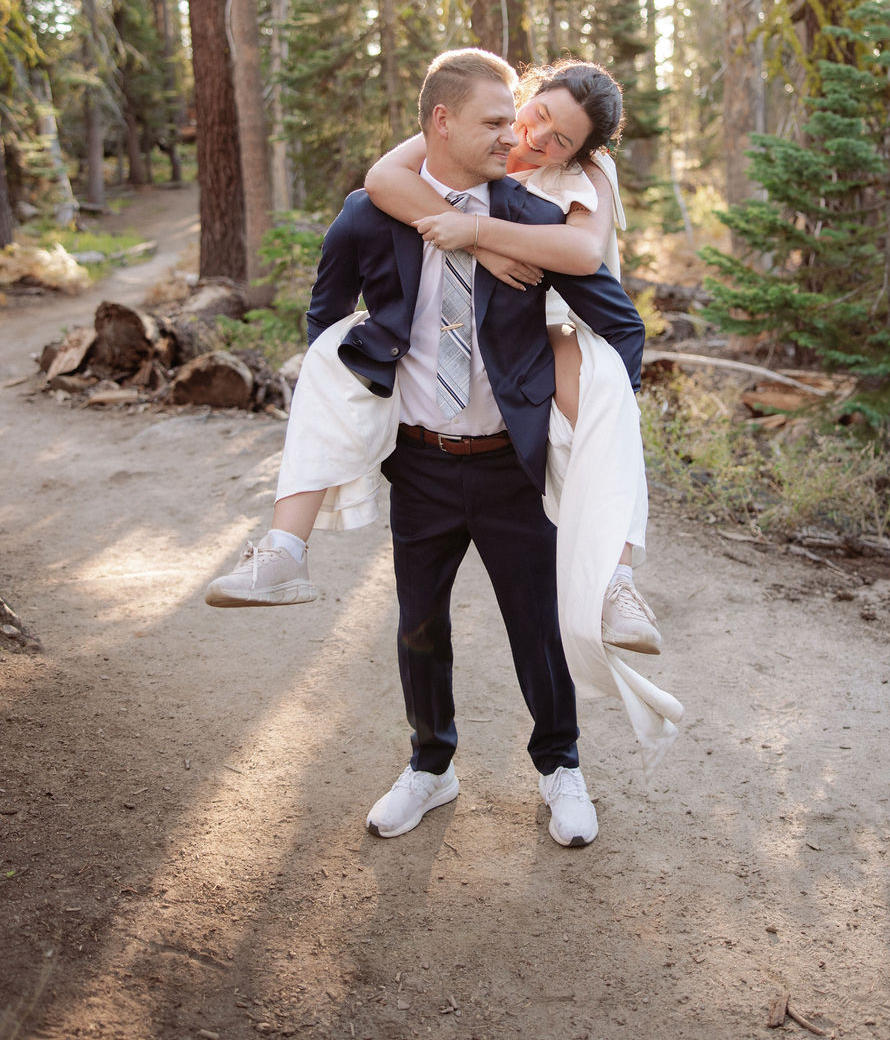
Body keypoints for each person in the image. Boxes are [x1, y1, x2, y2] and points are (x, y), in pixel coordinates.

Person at [214, 48, 647, 845]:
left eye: (522, 120)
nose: (514, 132)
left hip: (509, 465)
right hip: (419, 461)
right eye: (496, 119)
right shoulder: (370, 211)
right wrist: (354, 384)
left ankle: (562, 768)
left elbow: (620, 323)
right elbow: (324, 314)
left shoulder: (535, 219)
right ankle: (430, 764)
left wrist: (592, 410)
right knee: (420, 623)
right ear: (440, 122)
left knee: (535, 626)